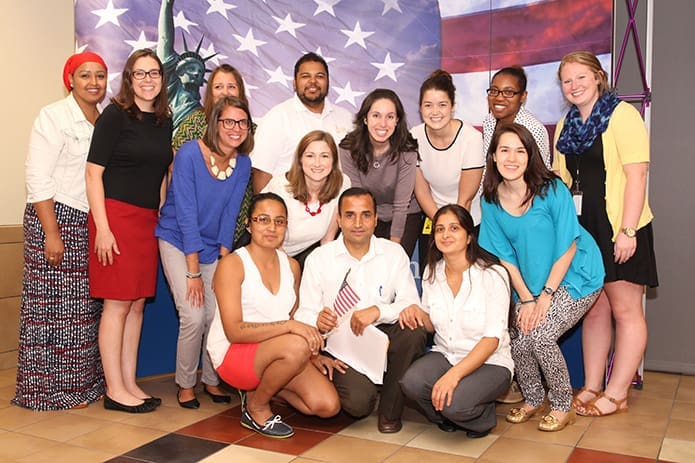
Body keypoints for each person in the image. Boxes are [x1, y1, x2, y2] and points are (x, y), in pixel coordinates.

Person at [479, 123, 604, 432]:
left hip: (576, 275)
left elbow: (568, 245)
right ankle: (533, 398)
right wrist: (525, 299)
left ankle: (563, 405)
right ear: (493, 156)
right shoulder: (490, 199)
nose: (512, 158)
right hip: (530, 283)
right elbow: (505, 257)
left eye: (520, 151)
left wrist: (545, 297)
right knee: (520, 336)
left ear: (530, 155)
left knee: (541, 335)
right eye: (504, 150)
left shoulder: (551, 189)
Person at [553, 51, 658, 417]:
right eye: (567, 80)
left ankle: (617, 391)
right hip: (585, 233)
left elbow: (637, 175)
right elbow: (561, 183)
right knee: (594, 310)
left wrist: (628, 231)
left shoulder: (622, 114)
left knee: (626, 310)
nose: (574, 85)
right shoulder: (567, 124)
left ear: (598, 77)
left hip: (620, 228)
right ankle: (594, 384)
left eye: (581, 77)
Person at [13, 52, 108, 411]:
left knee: (83, 309)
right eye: (85, 76)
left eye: (100, 76)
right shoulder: (53, 116)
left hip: (88, 221)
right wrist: (52, 232)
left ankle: (81, 386)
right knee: (50, 310)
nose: (93, 83)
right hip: (53, 217)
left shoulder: (106, 119)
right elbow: (37, 176)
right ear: (70, 80)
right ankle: (48, 391)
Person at [207, 193, 341, 438]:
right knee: (295, 345)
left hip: (278, 351)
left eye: (279, 221)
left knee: (326, 406)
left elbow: (295, 318)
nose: (272, 227)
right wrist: (292, 330)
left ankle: (261, 389)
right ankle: (256, 407)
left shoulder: (291, 266)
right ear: (249, 224)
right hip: (233, 352)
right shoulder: (233, 264)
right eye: (263, 219)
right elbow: (234, 331)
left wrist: (312, 355)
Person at [295, 187, 426, 433]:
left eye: (365, 215)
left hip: (382, 336)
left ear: (376, 219)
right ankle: (363, 385)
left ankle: (390, 412)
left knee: (414, 331)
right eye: (350, 215)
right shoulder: (320, 258)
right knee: (359, 403)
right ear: (339, 219)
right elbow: (304, 314)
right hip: (341, 346)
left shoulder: (393, 253)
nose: (358, 223)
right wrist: (317, 320)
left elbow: (411, 305)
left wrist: (377, 311)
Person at [86, 49, 173, 414]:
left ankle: (128, 382)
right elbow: (93, 173)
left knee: (137, 304)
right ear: (129, 78)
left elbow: (161, 174)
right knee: (117, 304)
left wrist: (161, 216)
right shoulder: (114, 116)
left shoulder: (163, 121)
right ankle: (114, 389)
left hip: (146, 221)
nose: (148, 79)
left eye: (154, 72)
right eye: (140, 74)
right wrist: (102, 228)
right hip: (115, 218)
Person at [156, 96, 253, 409]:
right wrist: (194, 272)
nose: (235, 129)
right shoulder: (189, 154)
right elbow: (185, 213)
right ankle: (186, 384)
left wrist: (224, 263)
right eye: (228, 121)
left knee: (218, 315)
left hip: (213, 247)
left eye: (242, 122)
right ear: (216, 123)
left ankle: (211, 379)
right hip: (177, 240)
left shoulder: (243, 164)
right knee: (194, 315)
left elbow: (230, 215)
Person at [399, 205, 513, 438]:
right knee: (411, 382)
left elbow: (492, 340)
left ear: (469, 236)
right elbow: (432, 324)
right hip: (447, 355)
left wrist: (454, 375)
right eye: (439, 229)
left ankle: (481, 418)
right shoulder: (433, 271)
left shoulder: (493, 275)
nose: (445, 235)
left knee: (455, 404)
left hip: (490, 362)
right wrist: (415, 312)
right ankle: (449, 415)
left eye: (454, 228)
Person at [171, 63, 251, 248]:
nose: (225, 92)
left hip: (234, 226)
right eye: (218, 87)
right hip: (191, 222)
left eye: (231, 86)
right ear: (210, 92)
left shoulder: (250, 130)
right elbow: (173, 167)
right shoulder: (195, 122)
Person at [251, 52, 352, 193]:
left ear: (328, 81)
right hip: (288, 209)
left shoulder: (346, 118)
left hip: (335, 208)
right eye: (305, 76)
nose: (313, 82)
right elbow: (261, 173)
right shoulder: (277, 118)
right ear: (294, 82)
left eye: (319, 76)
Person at [339, 89, 421, 258]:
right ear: (365, 118)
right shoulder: (348, 148)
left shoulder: (407, 149)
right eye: (376, 115)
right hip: (366, 212)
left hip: (404, 214)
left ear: (397, 120)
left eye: (390, 117)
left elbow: (401, 205)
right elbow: (358, 199)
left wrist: (393, 252)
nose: (383, 124)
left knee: (392, 263)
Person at [262, 130, 350, 267]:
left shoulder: (342, 183)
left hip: (303, 255)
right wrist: (289, 268)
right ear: (300, 160)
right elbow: (266, 235)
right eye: (310, 156)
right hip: (268, 251)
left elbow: (328, 239)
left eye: (325, 156)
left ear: (333, 161)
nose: (317, 163)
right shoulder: (280, 187)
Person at [412, 70, 484, 225]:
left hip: (467, 219)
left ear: (452, 107)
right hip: (434, 217)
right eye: (428, 105)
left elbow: (465, 200)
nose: (435, 112)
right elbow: (422, 192)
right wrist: (440, 224)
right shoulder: (414, 136)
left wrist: (451, 228)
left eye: (442, 105)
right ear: (420, 108)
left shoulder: (471, 138)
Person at [157, 0, 213, 128]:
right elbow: (164, 39)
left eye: (200, 71)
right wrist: (167, 5)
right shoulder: (172, 87)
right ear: (179, 71)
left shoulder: (202, 112)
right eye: (191, 68)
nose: (196, 73)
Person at [482, 66, 550, 167]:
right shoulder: (489, 121)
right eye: (494, 91)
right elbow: (486, 167)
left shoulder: (533, 129)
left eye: (508, 92)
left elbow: (536, 176)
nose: (499, 98)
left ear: (523, 96)